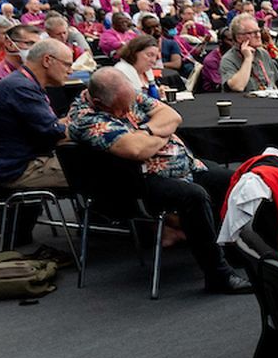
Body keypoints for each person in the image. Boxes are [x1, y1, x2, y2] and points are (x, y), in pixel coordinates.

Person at [65, 68, 250, 294]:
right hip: (139, 181)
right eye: (122, 109)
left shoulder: (125, 93)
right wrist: (163, 134)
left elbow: (173, 116)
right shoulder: (85, 119)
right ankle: (217, 275)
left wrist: (147, 130)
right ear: (98, 102)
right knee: (194, 196)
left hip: (187, 165)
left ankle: (231, 249)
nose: (127, 112)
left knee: (235, 180)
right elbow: (137, 150)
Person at [0, 38, 73, 189]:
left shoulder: (23, 82)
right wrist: (94, 128)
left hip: (24, 160)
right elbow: (55, 133)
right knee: (109, 168)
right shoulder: (21, 87)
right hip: (22, 170)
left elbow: (51, 126)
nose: (70, 71)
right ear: (47, 60)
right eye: (67, 64)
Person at [0, 24, 41, 102]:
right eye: (30, 43)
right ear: (10, 44)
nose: (35, 49)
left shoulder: (34, 74)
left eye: (38, 45)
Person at [221, 16, 278, 92]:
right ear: (239, 37)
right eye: (252, 33)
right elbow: (238, 87)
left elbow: (273, 84)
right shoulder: (228, 59)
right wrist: (248, 58)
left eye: (259, 31)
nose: (258, 35)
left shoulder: (263, 54)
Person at [113, 35, 163, 100]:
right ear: (134, 53)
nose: (153, 61)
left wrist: (158, 92)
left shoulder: (147, 72)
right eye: (149, 55)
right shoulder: (121, 72)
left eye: (156, 57)